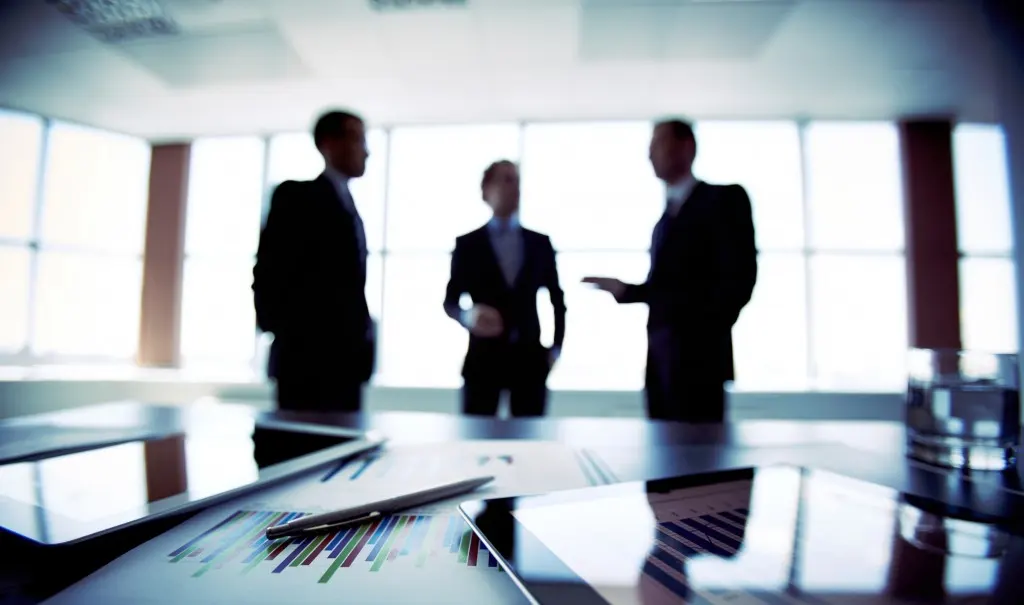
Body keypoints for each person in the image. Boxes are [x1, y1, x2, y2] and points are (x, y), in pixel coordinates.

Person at [584, 119, 757, 423]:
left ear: (686, 147)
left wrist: (704, 333)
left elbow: (739, 278)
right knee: (663, 457)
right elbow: (665, 288)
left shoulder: (725, 199)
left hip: (701, 361)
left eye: (657, 143)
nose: (650, 153)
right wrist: (625, 290)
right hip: (659, 363)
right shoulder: (662, 223)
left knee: (703, 460)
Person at [252, 109, 375, 412]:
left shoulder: (350, 206)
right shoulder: (295, 197)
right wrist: (286, 335)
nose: (367, 151)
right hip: (305, 365)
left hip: (349, 365)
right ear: (328, 144)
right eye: (357, 138)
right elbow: (269, 273)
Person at [443, 160, 566, 417]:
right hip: (482, 360)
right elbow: (450, 302)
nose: (515, 187)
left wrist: (556, 349)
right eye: (507, 179)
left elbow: (557, 300)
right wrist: (469, 316)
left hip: (530, 361)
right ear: (486, 190)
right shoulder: (468, 244)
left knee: (531, 444)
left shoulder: (539, 243)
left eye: (517, 180)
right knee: (475, 441)